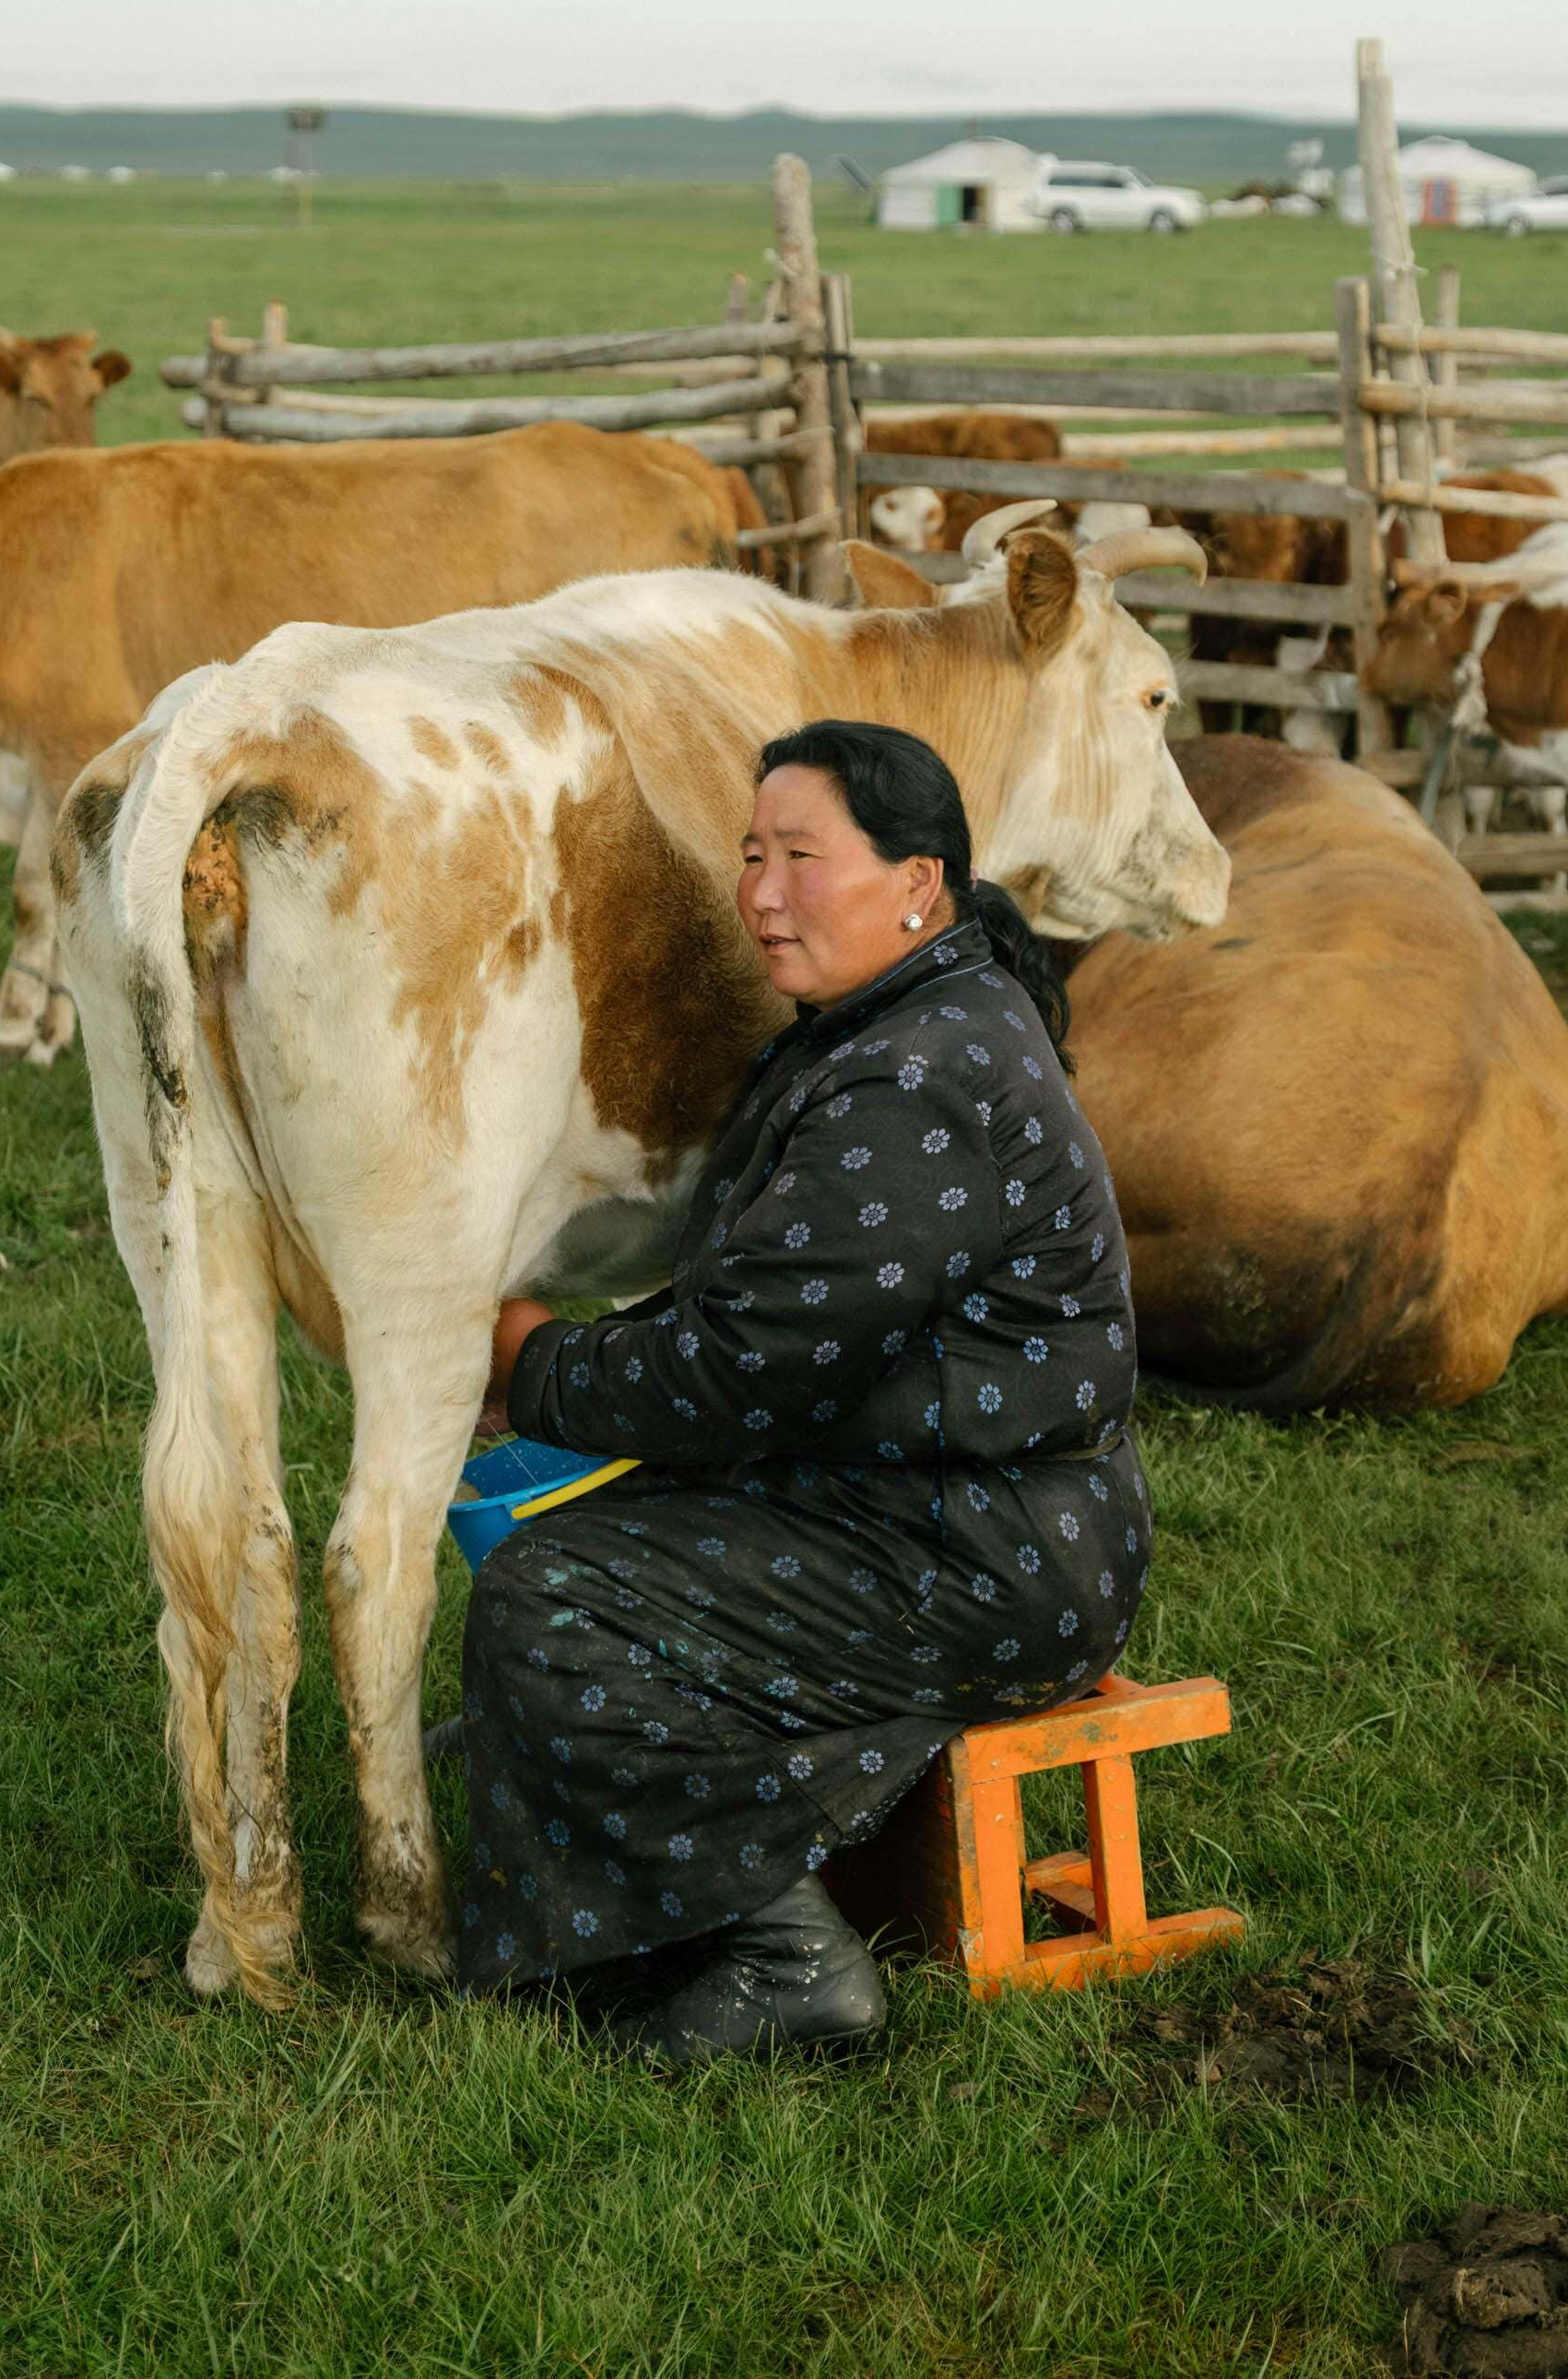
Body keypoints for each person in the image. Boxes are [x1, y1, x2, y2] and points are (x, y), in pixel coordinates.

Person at [450, 720, 1151, 2067]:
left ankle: (789, 1957)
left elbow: (738, 1368)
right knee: (564, 1598)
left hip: (987, 1552)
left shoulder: (918, 1075)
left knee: (553, 1604)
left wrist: (532, 1364)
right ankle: (623, 1832)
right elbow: (777, 1312)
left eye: (801, 857)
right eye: (751, 854)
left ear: (915, 881)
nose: (760, 892)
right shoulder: (910, 1016)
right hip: (955, 1508)